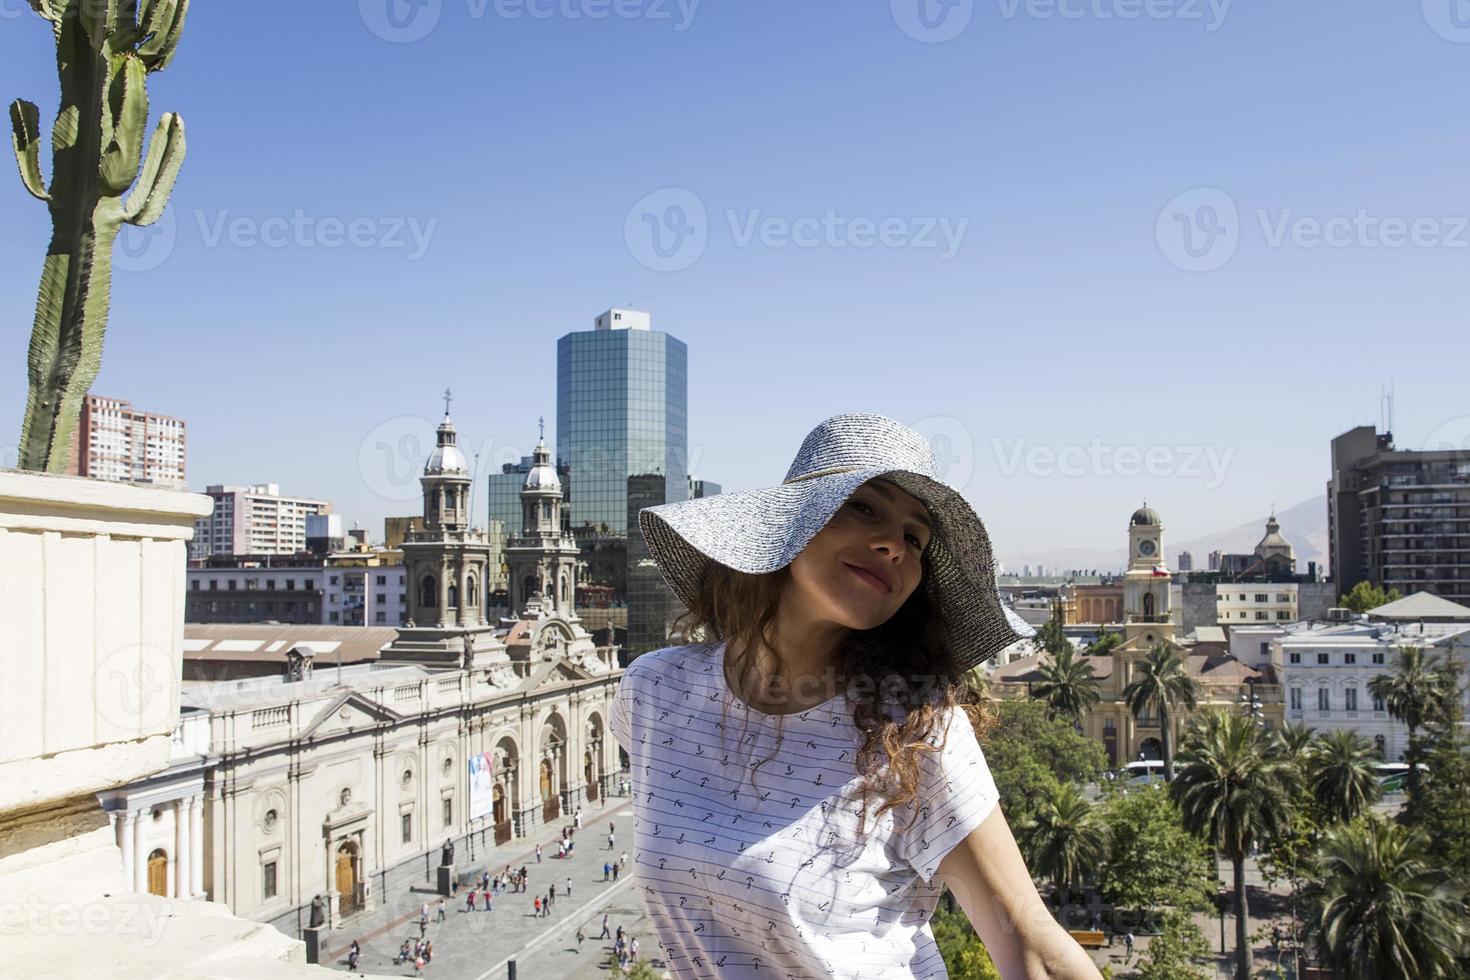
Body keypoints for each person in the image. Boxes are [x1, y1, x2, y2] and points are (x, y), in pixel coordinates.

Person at [609, 413, 1104, 980]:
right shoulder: (655, 692)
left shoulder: (914, 731)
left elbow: (1028, 939)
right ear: (790, 525)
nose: (894, 544)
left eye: (915, 537)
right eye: (864, 507)